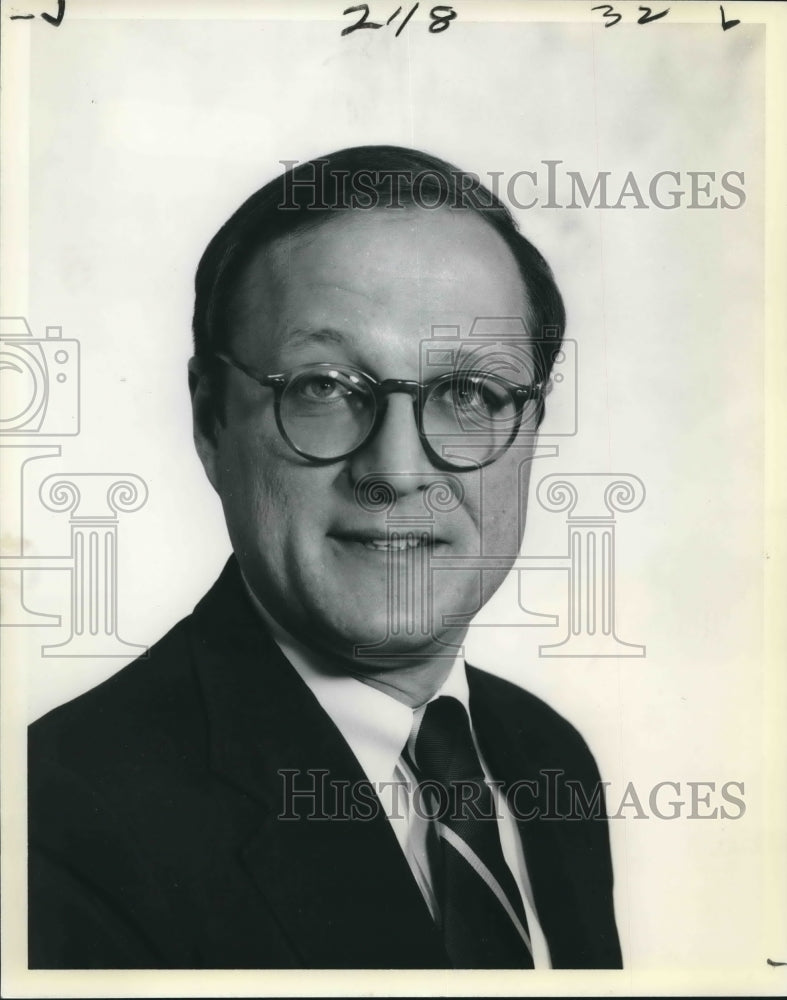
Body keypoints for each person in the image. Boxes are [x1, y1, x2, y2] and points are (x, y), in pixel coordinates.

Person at [28, 146, 622, 970]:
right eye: (325, 387)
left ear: (527, 431)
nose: (396, 471)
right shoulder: (52, 825)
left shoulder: (542, 757)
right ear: (211, 422)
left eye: (467, 395)